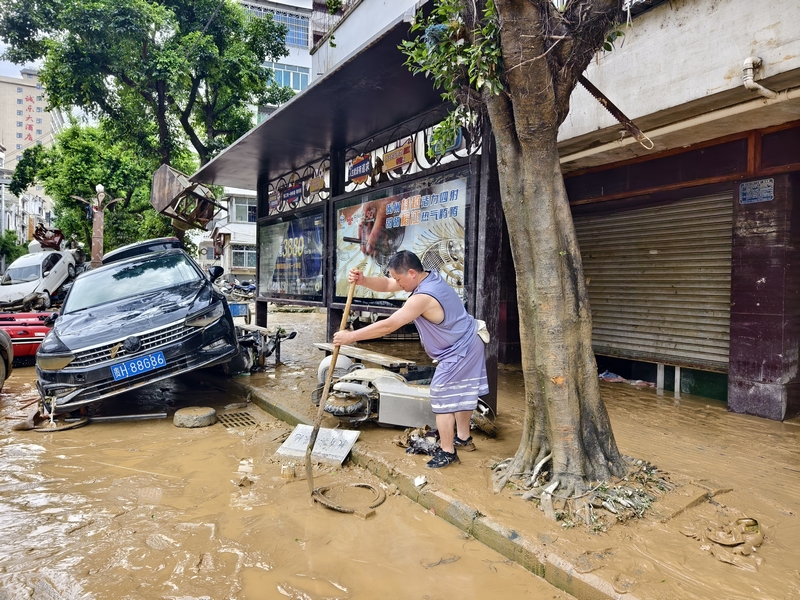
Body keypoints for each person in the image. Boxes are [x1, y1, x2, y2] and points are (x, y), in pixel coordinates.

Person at [333, 250, 488, 468]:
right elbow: (387, 285)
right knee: (460, 391)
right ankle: (463, 438)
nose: (396, 283)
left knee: (441, 394)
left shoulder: (422, 297)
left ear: (412, 273)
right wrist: (364, 280)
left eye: (398, 279)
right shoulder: (427, 277)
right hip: (469, 339)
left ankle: (448, 452)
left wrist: (351, 336)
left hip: (461, 348)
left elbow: (389, 325)